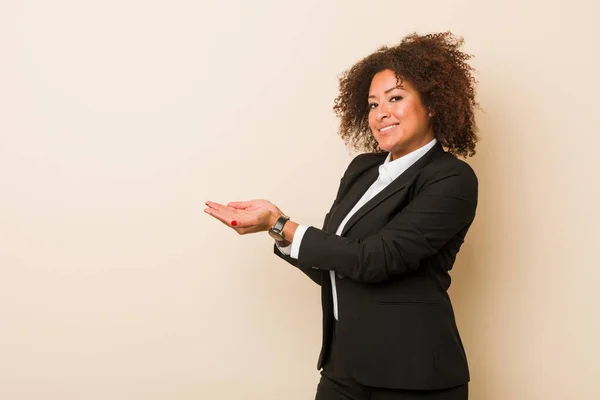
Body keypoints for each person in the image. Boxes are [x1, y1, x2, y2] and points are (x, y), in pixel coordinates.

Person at [205, 31, 479, 400]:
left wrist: (282, 225)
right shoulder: (362, 170)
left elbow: (376, 260)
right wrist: (278, 231)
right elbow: (339, 263)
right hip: (344, 369)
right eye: (371, 104)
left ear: (432, 104)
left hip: (413, 377)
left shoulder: (451, 178)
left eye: (395, 98)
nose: (381, 113)